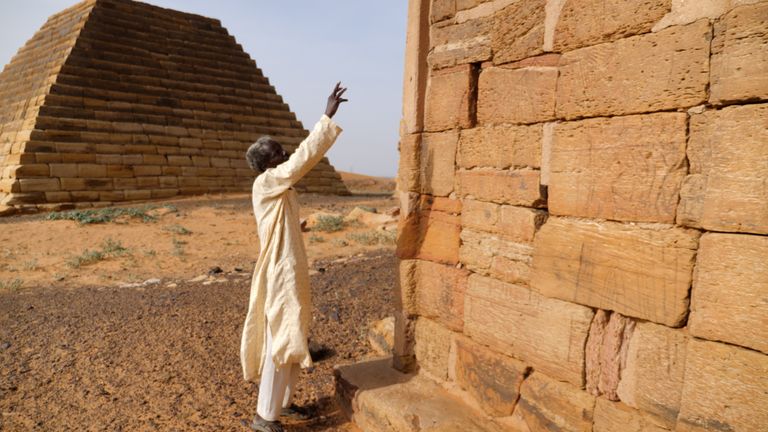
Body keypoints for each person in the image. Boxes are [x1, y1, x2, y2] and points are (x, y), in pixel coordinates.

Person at [241, 82, 347, 432]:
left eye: (283, 150)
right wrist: (326, 117)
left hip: (291, 267)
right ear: (266, 164)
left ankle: (282, 407)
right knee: (278, 341)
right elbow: (304, 159)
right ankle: (263, 417)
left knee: (292, 334)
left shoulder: (279, 188)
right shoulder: (267, 182)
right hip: (278, 271)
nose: (285, 155)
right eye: (278, 153)